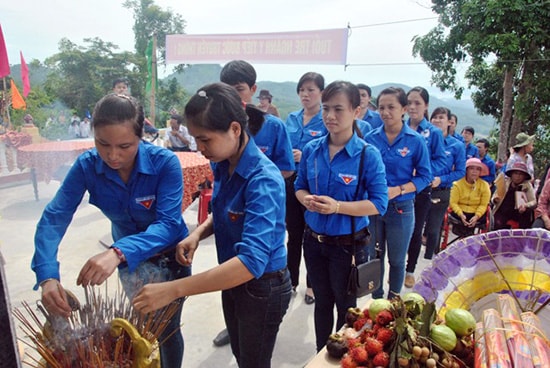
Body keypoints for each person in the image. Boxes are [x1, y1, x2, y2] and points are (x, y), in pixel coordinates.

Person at [133, 83, 292, 368]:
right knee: (242, 356)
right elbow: (226, 212)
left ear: (234, 129)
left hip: (261, 287)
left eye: (205, 140)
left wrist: (173, 289)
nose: (200, 149)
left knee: (254, 362)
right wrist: (197, 234)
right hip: (231, 280)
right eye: (195, 139)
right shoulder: (223, 161)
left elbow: (250, 263)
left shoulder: (263, 179)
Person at [31, 94, 191, 367]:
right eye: (102, 144)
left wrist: (117, 252)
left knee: (167, 329)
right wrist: (47, 276)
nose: (112, 155)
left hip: (168, 258)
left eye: (124, 146)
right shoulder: (87, 166)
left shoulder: (165, 163)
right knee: (141, 329)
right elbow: (55, 217)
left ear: (142, 136)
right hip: (127, 262)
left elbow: (168, 225)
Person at [295, 81, 388, 352]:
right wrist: (306, 200)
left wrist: (338, 207)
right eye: (326, 109)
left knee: (346, 307)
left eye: (338, 109)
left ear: (356, 112)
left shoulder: (367, 155)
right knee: (322, 302)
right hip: (313, 242)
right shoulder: (312, 150)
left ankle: (343, 354)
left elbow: (379, 203)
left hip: (347, 245)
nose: (330, 116)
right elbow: (298, 186)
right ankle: (321, 354)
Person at [215, 59, 295, 347]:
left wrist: (256, 179)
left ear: (252, 89)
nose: (234, 98)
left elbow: (285, 169)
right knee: (241, 335)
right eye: (228, 90)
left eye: (239, 90)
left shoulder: (272, 128)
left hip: (260, 222)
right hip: (229, 253)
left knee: (253, 348)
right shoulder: (219, 138)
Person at [364, 87, 432, 300]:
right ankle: (376, 302)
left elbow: (425, 176)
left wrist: (400, 190)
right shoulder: (370, 138)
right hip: (374, 208)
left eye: (391, 107)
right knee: (375, 257)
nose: (385, 112)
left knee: (396, 259)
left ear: (403, 109)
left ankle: (393, 302)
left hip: (401, 208)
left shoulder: (415, 140)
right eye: (382, 107)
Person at [405, 107, 465, 286]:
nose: (437, 120)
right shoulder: (424, 138)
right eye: (435, 117)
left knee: (432, 230)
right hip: (418, 188)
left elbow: (460, 171)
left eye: (441, 118)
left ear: (449, 121)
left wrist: (441, 179)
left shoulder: (457, 146)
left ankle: (430, 263)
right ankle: (410, 267)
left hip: (441, 190)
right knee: (414, 228)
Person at [286, 72, 327, 305]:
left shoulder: (326, 120)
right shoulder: (291, 118)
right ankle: (291, 281)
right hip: (291, 182)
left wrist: (305, 155)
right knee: (293, 235)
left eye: (311, 90)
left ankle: (312, 285)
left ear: (321, 93)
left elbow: (329, 152)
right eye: (302, 90)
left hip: (314, 184)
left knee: (313, 237)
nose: (305, 94)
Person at [404, 86, 446, 288]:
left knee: (414, 229)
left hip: (420, 190)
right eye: (409, 102)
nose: (412, 107)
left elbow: (441, 161)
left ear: (426, 105)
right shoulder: (398, 127)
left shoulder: (434, 133)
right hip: (398, 189)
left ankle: (409, 269)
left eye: (417, 103)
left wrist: (425, 172)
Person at [448, 158, 491, 237]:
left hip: (476, 213)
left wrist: (477, 216)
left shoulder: (484, 185)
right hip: (459, 212)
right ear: (466, 170)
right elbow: (453, 202)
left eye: (477, 169)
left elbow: (484, 204)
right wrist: (461, 214)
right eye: (471, 168)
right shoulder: (457, 184)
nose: (474, 171)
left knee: (482, 218)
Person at [492, 161, 536, 230]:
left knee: (523, 226)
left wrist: (526, 205)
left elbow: (533, 202)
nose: (518, 176)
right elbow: (494, 196)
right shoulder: (505, 182)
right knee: (497, 224)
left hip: (519, 213)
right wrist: (495, 199)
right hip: (503, 212)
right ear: (511, 174)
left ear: (524, 176)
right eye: (516, 173)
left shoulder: (527, 185)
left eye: (521, 174)